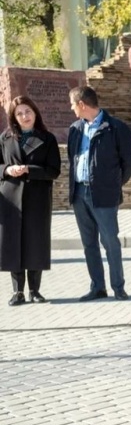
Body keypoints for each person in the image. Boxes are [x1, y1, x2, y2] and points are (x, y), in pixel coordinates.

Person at [67, 86, 131, 301]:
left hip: (104, 195)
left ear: (82, 104)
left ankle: (118, 287)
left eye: (72, 104)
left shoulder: (115, 127)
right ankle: (98, 287)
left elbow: (130, 161)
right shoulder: (75, 129)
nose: (71, 109)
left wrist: (114, 184)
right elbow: (73, 158)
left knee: (110, 242)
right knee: (89, 243)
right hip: (80, 193)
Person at [0, 96, 61, 306]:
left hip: (37, 197)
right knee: (13, 242)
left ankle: (35, 290)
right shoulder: (5, 138)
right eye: (19, 114)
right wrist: (7, 169)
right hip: (11, 198)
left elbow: (54, 171)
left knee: (35, 241)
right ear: (13, 117)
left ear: (35, 113)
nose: (24, 116)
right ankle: (18, 291)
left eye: (28, 112)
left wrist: (28, 170)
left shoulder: (47, 138)